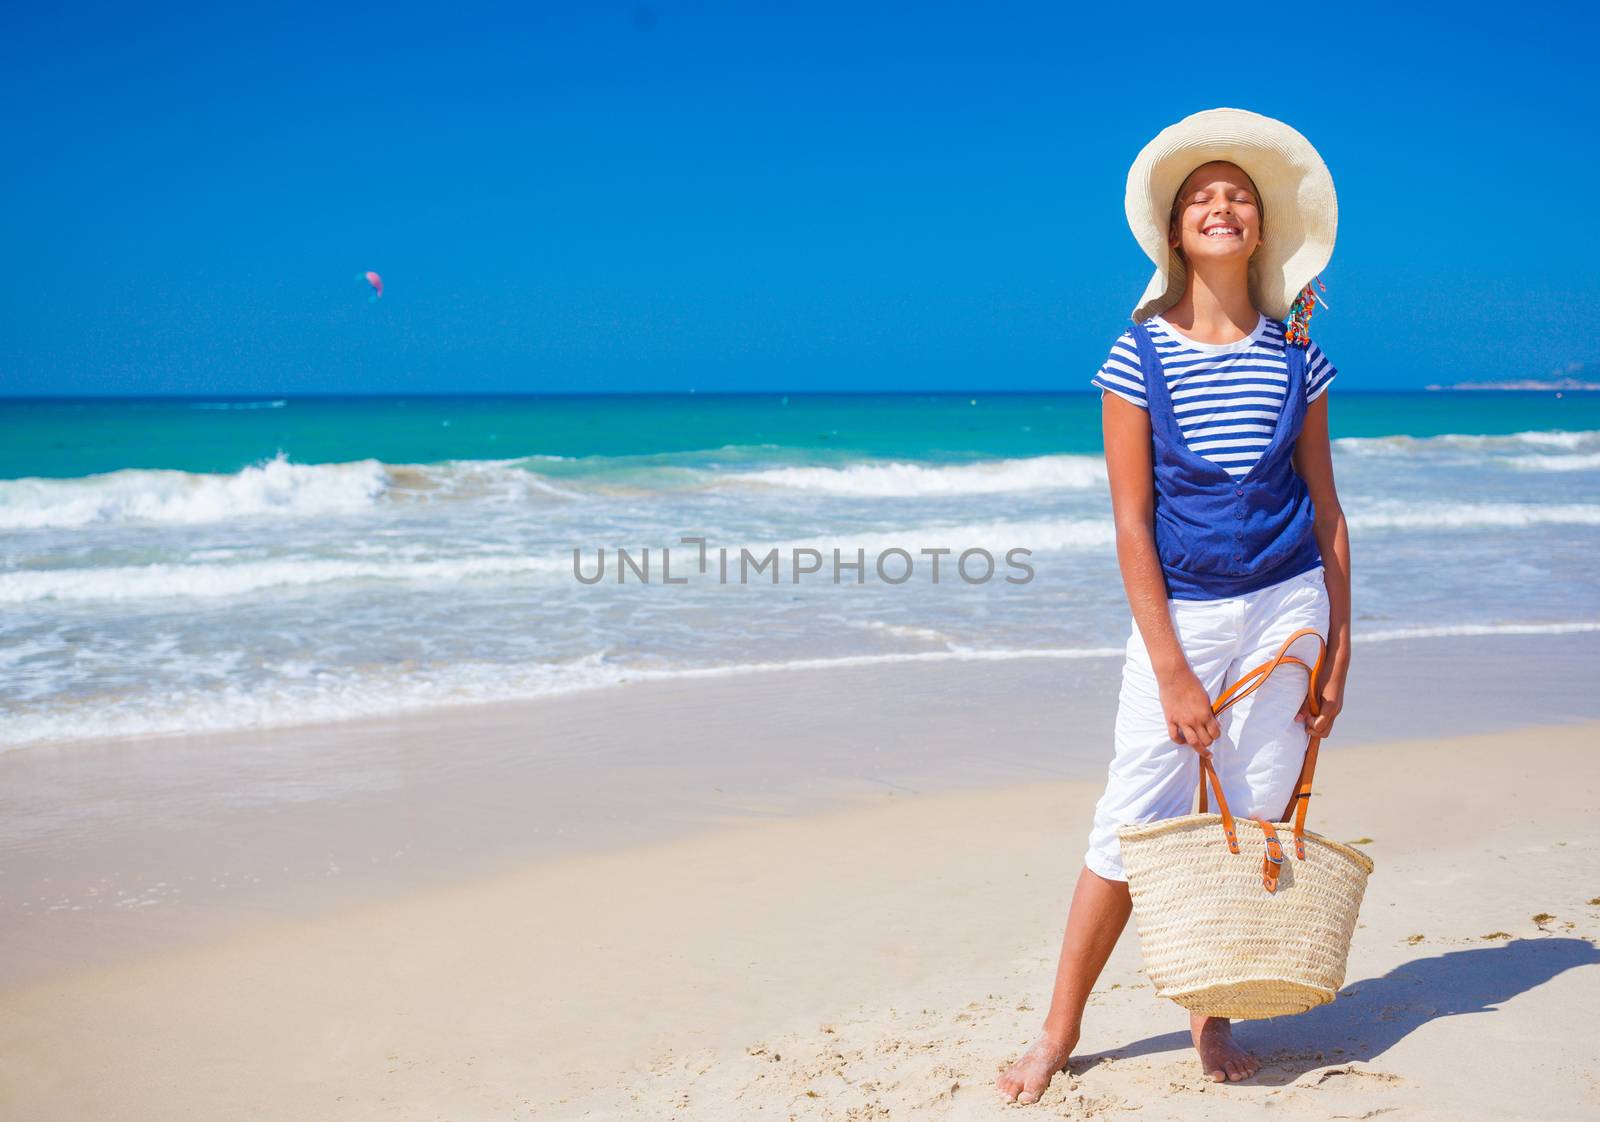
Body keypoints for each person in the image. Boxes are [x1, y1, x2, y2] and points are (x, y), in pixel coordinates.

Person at [997, 107, 1352, 1104]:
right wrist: (1169, 668)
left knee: (1252, 814)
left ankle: (1211, 1019)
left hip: (1288, 605)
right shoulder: (1132, 357)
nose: (1222, 206)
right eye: (1202, 197)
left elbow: (1327, 513)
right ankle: (1059, 1029)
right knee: (1131, 820)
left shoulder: (1299, 356)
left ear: (1261, 228)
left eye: (1237, 196)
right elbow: (1130, 525)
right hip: (1182, 616)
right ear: (1173, 231)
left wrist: (1340, 646)